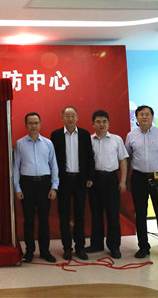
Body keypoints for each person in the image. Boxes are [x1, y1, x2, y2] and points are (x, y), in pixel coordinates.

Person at [125, 105, 158, 259]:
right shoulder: (131, 136)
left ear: (152, 117)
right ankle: (143, 247)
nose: (145, 117)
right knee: (140, 213)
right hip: (138, 178)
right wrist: (126, 179)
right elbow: (127, 158)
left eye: (147, 114)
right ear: (136, 117)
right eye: (141, 114)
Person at [13, 112, 59, 263]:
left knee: (44, 219)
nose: (34, 126)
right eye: (31, 123)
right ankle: (29, 251)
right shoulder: (20, 144)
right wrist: (17, 188)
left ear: (40, 124)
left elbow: (54, 166)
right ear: (26, 125)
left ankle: (45, 251)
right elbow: (15, 167)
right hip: (27, 184)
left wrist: (54, 187)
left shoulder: (48, 143)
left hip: (44, 184)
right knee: (29, 219)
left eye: (36, 122)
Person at [50, 106, 95, 261]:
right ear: (62, 118)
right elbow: (53, 160)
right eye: (67, 116)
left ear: (77, 117)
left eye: (73, 115)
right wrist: (54, 181)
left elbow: (89, 157)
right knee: (64, 215)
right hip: (63, 181)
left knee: (80, 215)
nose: (70, 118)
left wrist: (90, 177)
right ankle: (67, 248)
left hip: (80, 180)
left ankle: (80, 247)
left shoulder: (84, 134)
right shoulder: (56, 135)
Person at [86, 110, 129, 259]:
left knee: (112, 214)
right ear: (93, 124)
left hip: (111, 179)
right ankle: (96, 244)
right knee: (96, 213)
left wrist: (123, 181)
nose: (101, 124)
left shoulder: (116, 139)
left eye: (104, 121)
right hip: (94, 179)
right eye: (98, 122)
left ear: (108, 123)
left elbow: (123, 160)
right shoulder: (88, 140)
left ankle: (114, 246)